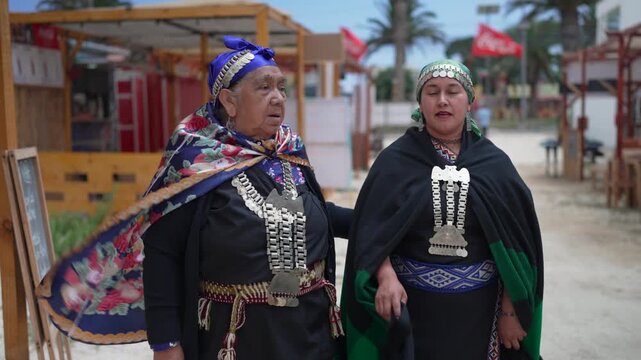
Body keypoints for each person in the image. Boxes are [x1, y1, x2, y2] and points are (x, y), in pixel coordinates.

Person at [37, 36, 350, 360]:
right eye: (264, 87)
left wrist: (378, 219)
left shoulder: (288, 151)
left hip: (311, 333)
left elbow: (309, 213)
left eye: (281, 88)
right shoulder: (197, 164)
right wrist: (166, 344)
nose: (278, 98)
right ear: (229, 101)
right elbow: (163, 254)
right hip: (239, 337)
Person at [341, 60, 543, 360]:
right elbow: (371, 230)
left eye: (453, 91)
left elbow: (517, 243)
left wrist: (511, 311)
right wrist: (384, 276)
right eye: (432, 92)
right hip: (413, 309)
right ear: (420, 103)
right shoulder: (395, 162)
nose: (443, 100)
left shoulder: (494, 164)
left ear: (469, 101)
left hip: (480, 312)